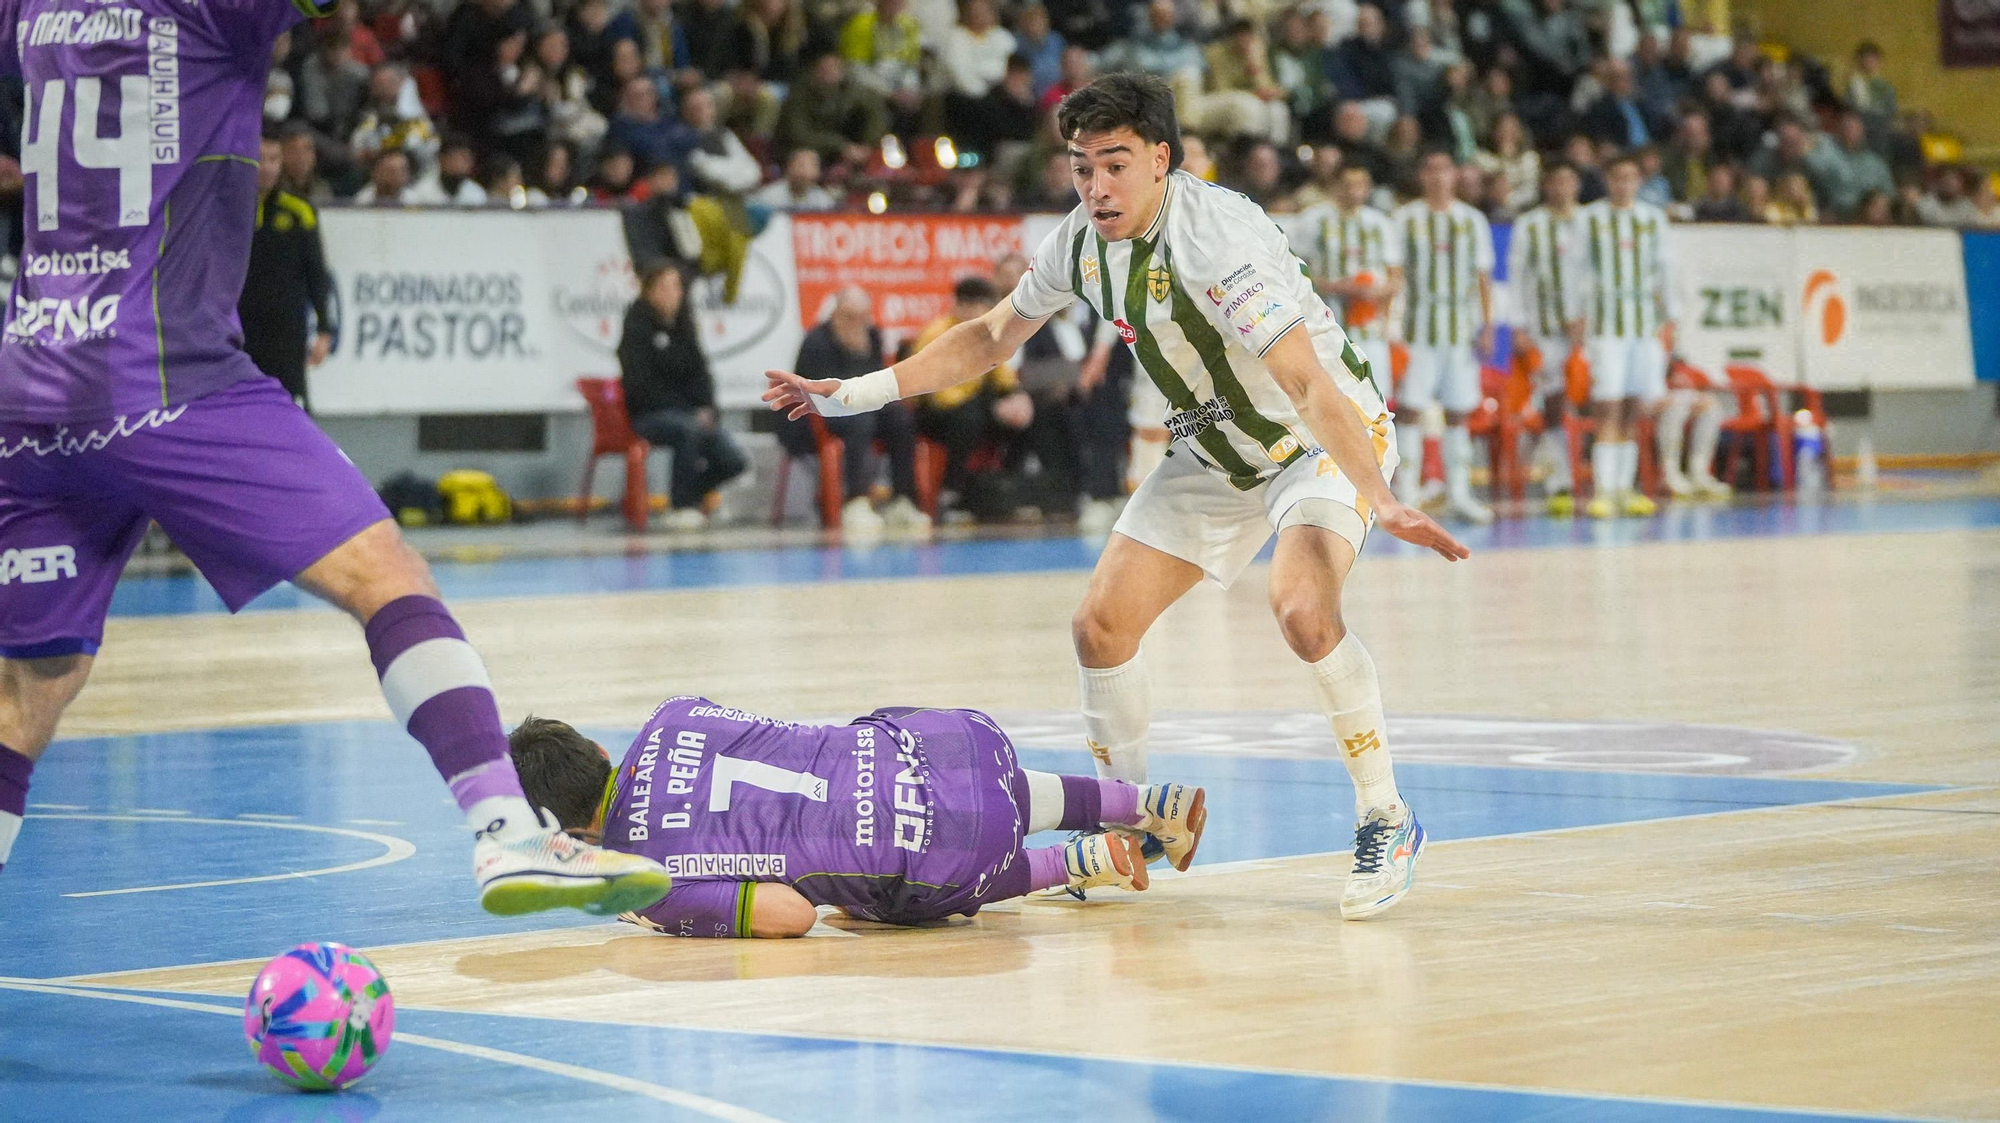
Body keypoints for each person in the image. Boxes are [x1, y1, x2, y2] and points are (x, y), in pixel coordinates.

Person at [0, 0, 670, 914]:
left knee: (32, 684)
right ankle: (507, 833)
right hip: (167, 374)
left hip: (32, 383)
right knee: (385, 575)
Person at [763, 72, 1469, 920]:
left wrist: (1377, 496)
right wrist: (856, 391)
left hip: (1316, 440)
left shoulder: (1217, 239)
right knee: (1099, 627)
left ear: (1162, 161)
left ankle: (1386, 814)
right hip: (1213, 452)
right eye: (1082, 166)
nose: (1097, 186)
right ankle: (1124, 828)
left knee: (1300, 607)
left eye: (1116, 165)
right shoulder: (1078, 242)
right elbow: (991, 336)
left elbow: (1306, 381)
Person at [505, 700, 1211, 937]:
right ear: (596, 748)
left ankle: (1077, 862)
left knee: (875, 884)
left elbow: (790, 915)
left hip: (953, 856)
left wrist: (661, 913)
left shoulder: (648, 880)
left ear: (567, 835)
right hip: (967, 742)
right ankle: (1143, 803)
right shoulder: (673, 712)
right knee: (882, 756)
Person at [1393, 148, 1498, 523]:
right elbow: (1395, 274)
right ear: (1422, 175)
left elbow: (1482, 277)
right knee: (1410, 410)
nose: (1438, 176)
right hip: (1418, 329)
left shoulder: (1472, 220)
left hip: (1459, 331)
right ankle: (1407, 494)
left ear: (1455, 175)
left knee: (1458, 412)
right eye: (1431, 168)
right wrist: (1393, 328)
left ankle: (1459, 493)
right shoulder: (1406, 219)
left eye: (1445, 168)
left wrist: (1487, 326)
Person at [1575, 153, 1680, 518]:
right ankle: (1603, 489)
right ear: (1607, 180)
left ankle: (1626, 487)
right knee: (1608, 403)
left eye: (1630, 177)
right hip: (1605, 325)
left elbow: (1665, 270)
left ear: (1638, 181)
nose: (1624, 184)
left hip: (1642, 324)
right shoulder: (1589, 219)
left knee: (1635, 405)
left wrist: (1672, 317)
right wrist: (1577, 317)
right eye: (1617, 177)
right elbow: (1578, 270)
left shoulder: (1651, 219)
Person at [788, 286, 929, 534]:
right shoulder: (816, 340)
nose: (855, 323)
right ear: (835, 314)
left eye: (861, 317)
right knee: (860, 421)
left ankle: (903, 501)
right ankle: (856, 500)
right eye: (848, 316)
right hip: (826, 412)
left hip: (866, 405)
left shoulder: (872, 336)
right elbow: (813, 388)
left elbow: (877, 377)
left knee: (900, 419)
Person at [618, 265, 748, 531]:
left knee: (734, 460)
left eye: (678, 286)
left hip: (690, 414)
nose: (675, 293)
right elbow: (640, 385)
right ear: (650, 292)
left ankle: (690, 493)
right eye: (667, 287)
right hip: (648, 415)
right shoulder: (636, 328)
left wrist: (708, 407)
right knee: (688, 430)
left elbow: (701, 374)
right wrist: (687, 411)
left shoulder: (684, 327)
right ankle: (682, 506)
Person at [908, 277, 1034, 517]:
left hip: (972, 407)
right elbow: (942, 397)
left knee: (1025, 418)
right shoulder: (937, 334)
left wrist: (1018, 398)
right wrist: (992, 407)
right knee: (968, 420)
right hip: (933, 413)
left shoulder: (986, 331)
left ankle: (1005, 490)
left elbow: (1003, 377)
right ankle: (950, 495)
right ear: (962, 306)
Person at [1298, 164, 1403, 449]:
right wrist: (1336, 287)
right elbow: (1296, 272)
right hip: (1327, 328)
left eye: (1360, 185)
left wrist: (1377, 292)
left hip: (1371, 329)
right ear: (1335, 187)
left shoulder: (1380, 224)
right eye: (1347, 184)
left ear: (1368, 189)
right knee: (1330, 400)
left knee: (1377, 402)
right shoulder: (1314, 221)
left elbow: (1396, 278)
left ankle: (1382, 473)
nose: (1353, 191)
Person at [1506, 162, 1588, 515]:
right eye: (1555, 180)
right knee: (1552, 404)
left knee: (1606, 404)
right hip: (1546, 332)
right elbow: (1517, 276)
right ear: (1546, 185)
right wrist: (1519, 326)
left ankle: (1615, 484)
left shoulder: (1592, 222)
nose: (1562, 187)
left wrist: (1588, 317)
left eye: (1568, 180)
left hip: (1593, 332)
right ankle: (1560, 482)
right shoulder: (1530, 225)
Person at [240, 135, 338, 412]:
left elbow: (316, 273)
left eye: (274, 159)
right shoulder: (227, 208)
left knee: (292, 408)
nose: (267, 167)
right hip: (239, 331)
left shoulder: (299, 211)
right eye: (260, 159)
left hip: (286, 333)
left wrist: (324, 329)